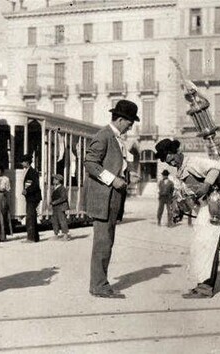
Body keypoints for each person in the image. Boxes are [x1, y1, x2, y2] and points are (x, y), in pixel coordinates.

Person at [155, 138, 220, 299]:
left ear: (177, 152)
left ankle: (206, 288)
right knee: (200, 247)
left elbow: (217, 167)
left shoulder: (193, 162)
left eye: (172, 159)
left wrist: (206, 185)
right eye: (169, 162)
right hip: (203, 209)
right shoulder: (181, 170)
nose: (172, 163)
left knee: (208, 247)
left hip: (213, 207)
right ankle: (202, 285)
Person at [85, 99, 139, 299]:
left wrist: (127, 176)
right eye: (130, 121)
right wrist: (113, 180)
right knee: (103, 242)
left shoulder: (116, 138)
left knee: (107, 242)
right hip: (104, 199)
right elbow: (90, 163)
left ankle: (99, 283)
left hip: (112, 198)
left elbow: (113, 164)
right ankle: (99, 285)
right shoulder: (104, 136)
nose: (131, 125)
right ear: (120, 119)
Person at [21, 153, 42, 243]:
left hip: (32, 197)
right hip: (32, 197)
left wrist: (27, 191)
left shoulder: (32, 172)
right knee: (32, 217)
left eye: (23, 162)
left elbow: (35, 185)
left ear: (27, 162)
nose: (22, 164)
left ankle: (31, 238)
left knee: (30, 217)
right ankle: (35, 237)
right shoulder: (30, 171)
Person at [50, 174, 71, 241]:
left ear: (59, 180)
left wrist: (54, 202)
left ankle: (65, 235)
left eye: (55, 179)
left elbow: (63, 198)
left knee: (62, 221)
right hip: (56, 207)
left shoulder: (62, 188)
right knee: (55, 221)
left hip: (61, 207)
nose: (53, 180)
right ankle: (56, 234)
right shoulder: (55, 188)